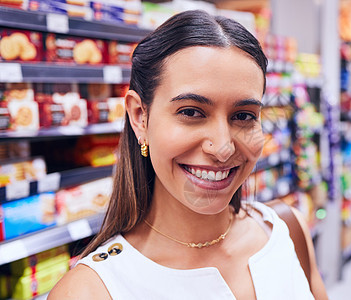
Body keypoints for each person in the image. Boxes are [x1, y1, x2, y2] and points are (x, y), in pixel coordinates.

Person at [49, 10, 329, 300]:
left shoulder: (287, 230)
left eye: (243, 116)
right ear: (139, 117)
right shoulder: (89, 291)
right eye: (191, 112)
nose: (223, 148)